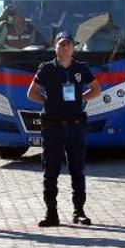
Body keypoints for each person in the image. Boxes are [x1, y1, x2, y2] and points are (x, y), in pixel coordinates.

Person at [26, 31, 102, 227]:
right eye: (61, 44)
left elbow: (96, 89)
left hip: (75, 127)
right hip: (52, 127)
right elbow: (32, 93)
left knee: (77, 170)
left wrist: (81, 98)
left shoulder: (81, 68)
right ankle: (51, 214)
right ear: (55, 47)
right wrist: (48, 101)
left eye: (68, 44)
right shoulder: (46, 69)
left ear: (73, 47)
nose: (65, 47)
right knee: (50, 171)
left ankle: (79, 212)